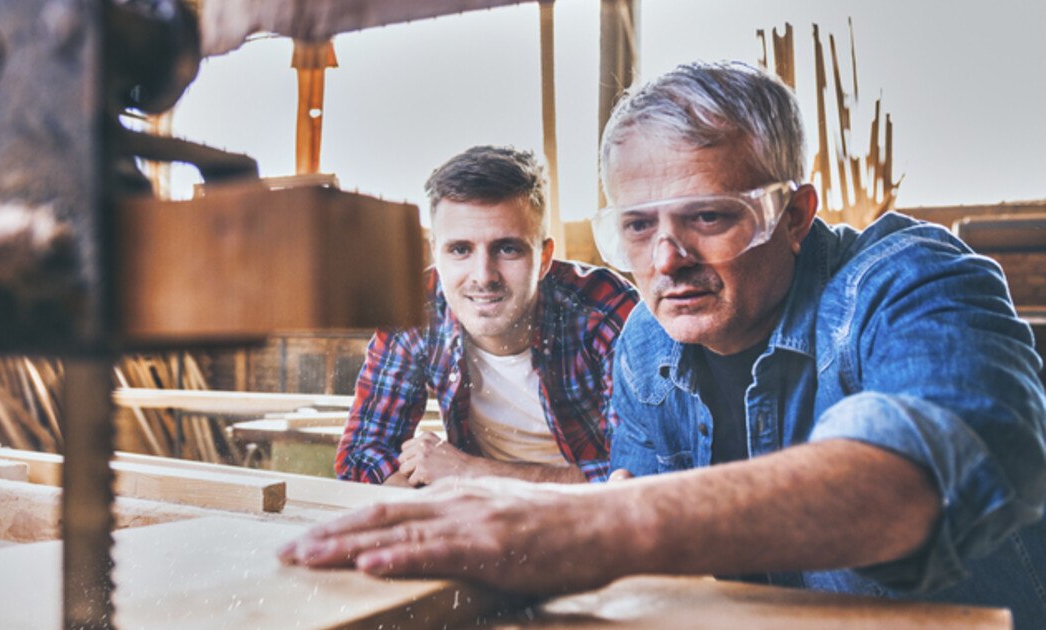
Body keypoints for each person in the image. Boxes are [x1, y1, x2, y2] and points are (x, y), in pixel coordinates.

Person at [281, 63, 1046, 625]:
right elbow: (661, 571)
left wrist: (582, 523)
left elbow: (922, 475)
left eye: (708, 217)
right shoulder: (647, 346)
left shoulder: (913, 281)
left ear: (795, 213)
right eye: (638, 227)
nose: (666, 260)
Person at [336, 145, 638, 487]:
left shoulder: (606, 309)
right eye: (460, 250)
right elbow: (362, 453)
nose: (483, 276)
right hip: (476, 519)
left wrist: (471, 472)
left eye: (507, 248)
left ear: (544, 258)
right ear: (436, 252)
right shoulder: (413, 309)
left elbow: (639, 474)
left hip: (589, 524)